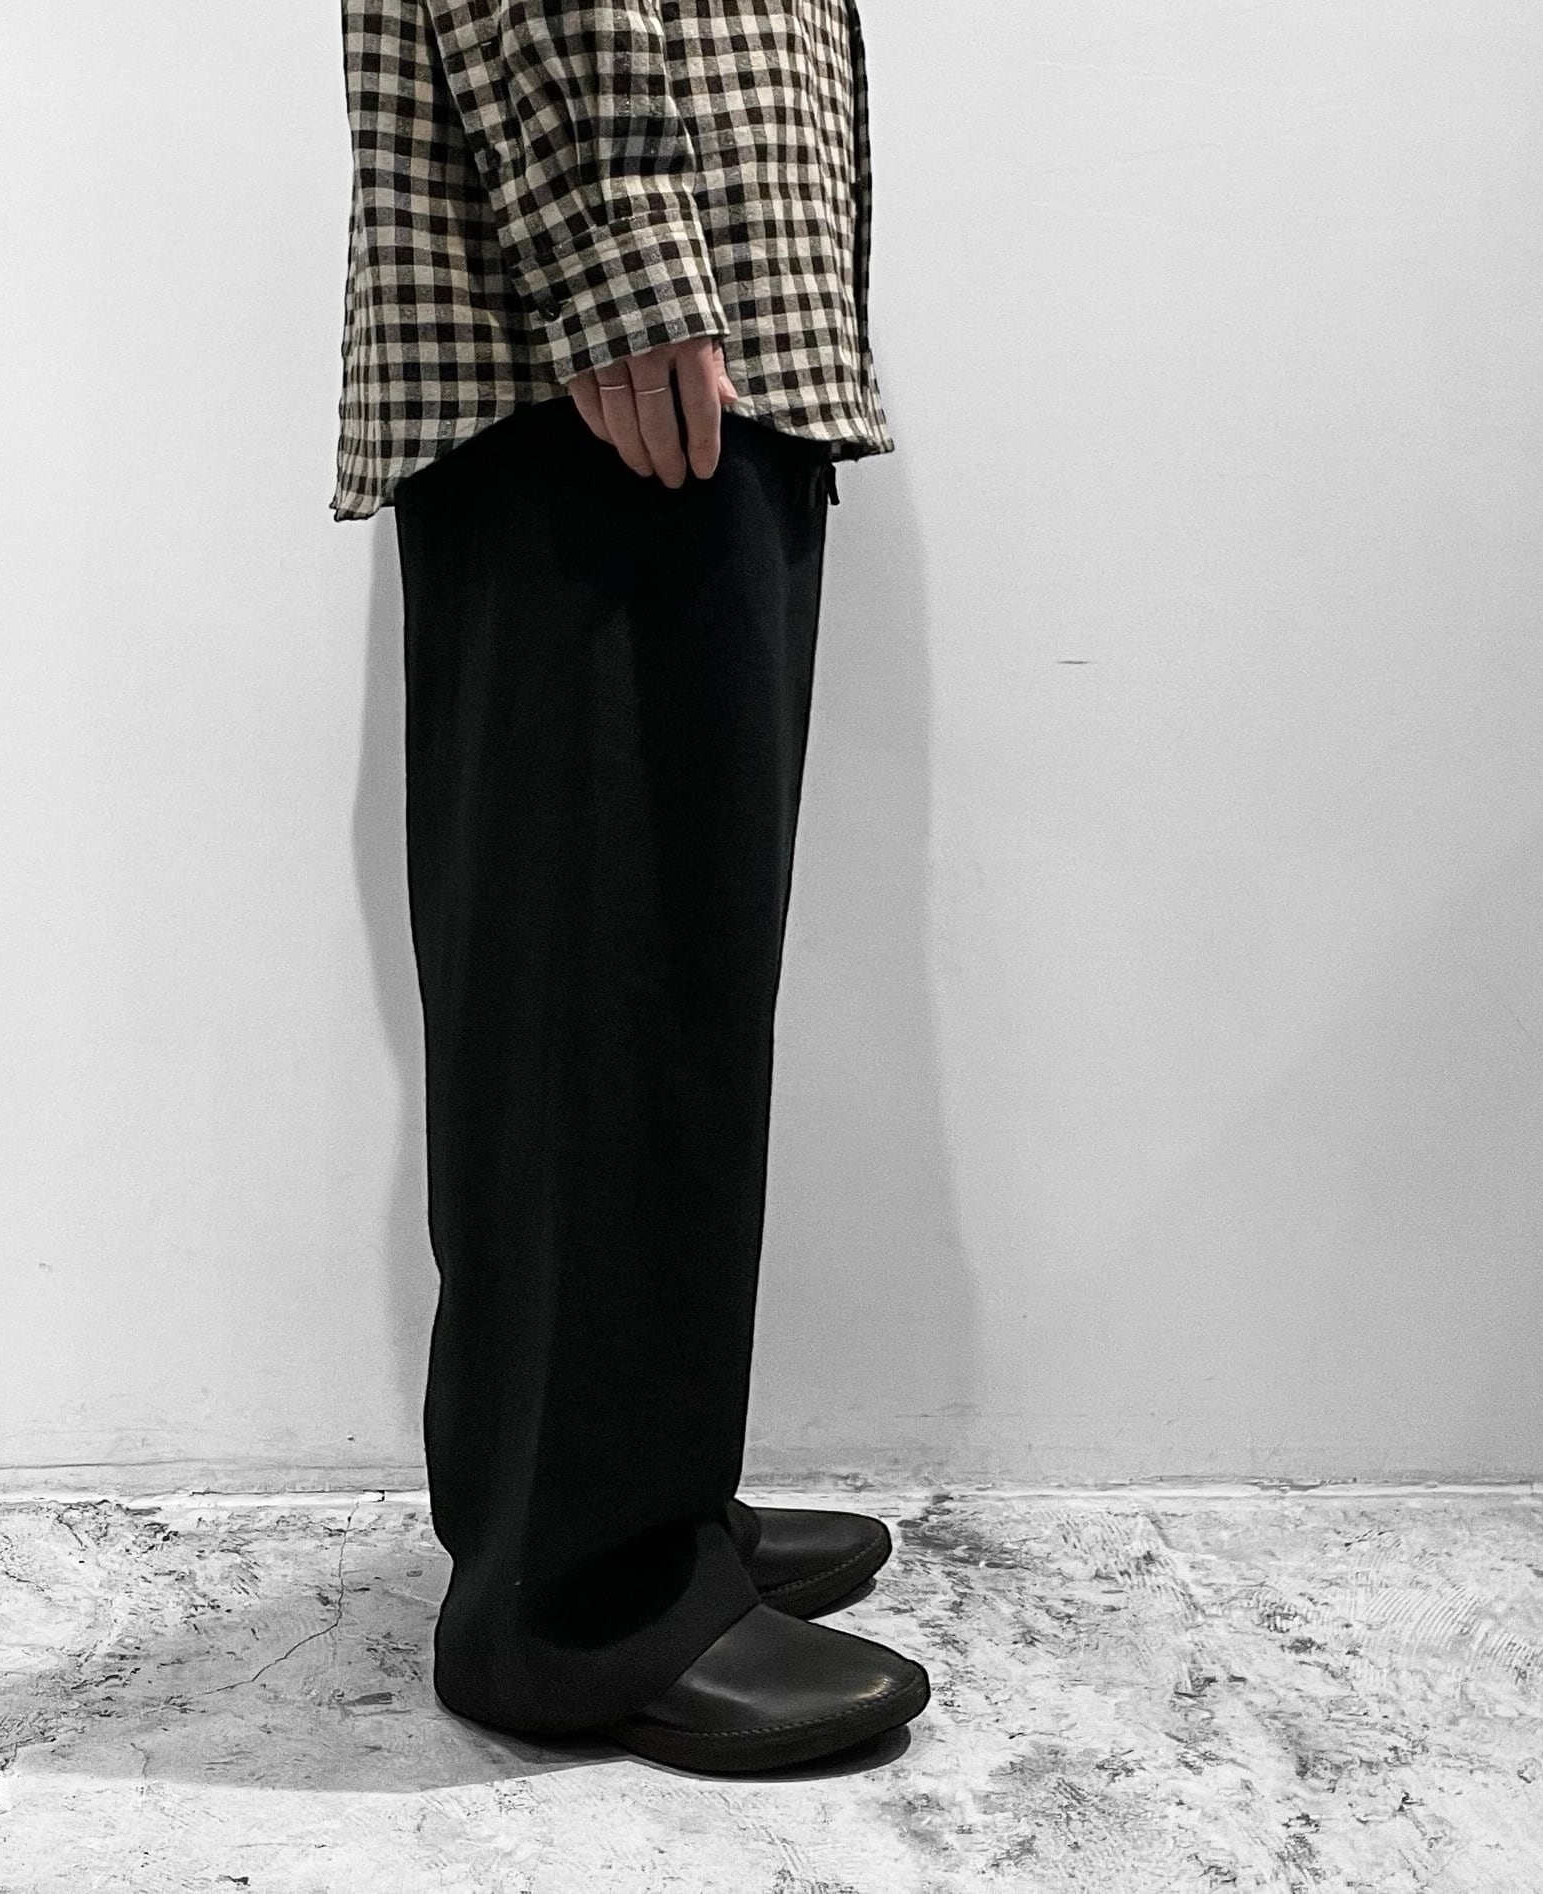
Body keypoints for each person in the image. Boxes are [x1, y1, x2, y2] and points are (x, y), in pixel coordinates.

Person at [331, 0, 931, 1774]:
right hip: (605, 358)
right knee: (602, 987)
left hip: (697, 341)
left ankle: (627, 1509)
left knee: (656, 970)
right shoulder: (618, 309)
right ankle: (578, 1606)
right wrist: (620, 253)